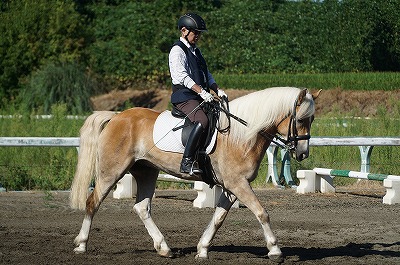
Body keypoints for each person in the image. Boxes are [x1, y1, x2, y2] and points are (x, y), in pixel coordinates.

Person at [169, 13, 227, 175]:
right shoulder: (177, 51)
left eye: (200, 33)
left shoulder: (196, 51)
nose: (198, 36)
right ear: (184, 31)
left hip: (199, 96)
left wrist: (216, 89)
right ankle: (186, 161)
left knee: (219, 116)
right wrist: (201, 91)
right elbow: (181, 76)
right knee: (202, 120)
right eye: (196, 33)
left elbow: (206, 74)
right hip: (184, 97)